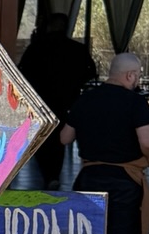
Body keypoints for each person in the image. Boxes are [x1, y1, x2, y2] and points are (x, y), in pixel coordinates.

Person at [59, 51, 149, 234]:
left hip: (89, 176)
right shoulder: (135, 103)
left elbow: (65, 138)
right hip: (124, 180)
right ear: (130, 75)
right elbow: (147, 142)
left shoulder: (86, 99)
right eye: (136, 76)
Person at [17, 12, 99, 187]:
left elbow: (21, 73)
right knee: (59, 140)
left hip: (39, 102)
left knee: (40, 139)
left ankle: (48, 175)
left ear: (49, 26)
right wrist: (72, 83)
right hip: (66, 102)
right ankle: (54, 174)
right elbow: (91, 72)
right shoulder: (77, 49)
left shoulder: (37, 47)